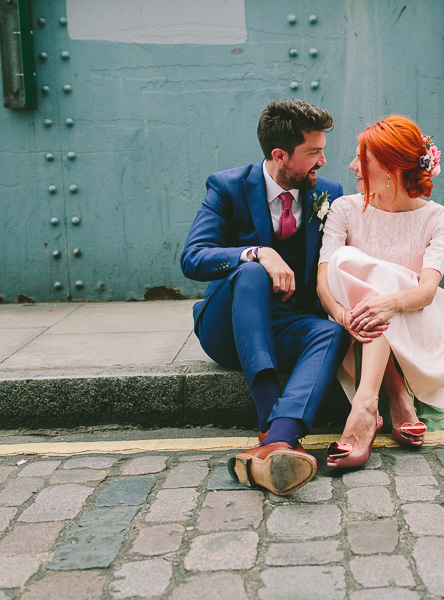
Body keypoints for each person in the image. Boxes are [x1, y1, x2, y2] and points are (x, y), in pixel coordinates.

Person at [180, 99, 347, 494]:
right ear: (279, 155)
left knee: (331, 333)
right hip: (228, 328)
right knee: (252, 271)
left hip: (287, 323)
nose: (322, 161)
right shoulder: (228, 186)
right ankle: (267, 415)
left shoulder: (329, 192)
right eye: (313, 152)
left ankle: (278, 438)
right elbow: (192, 257)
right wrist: (257, 252)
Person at [316, 115, 444, 469]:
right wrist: (341, 315)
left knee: (380, 282)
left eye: (362, 159)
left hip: (415, 321)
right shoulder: (345, 209)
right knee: (347, 260)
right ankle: (392, 395)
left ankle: (368, 405)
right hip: (356, 323)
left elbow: (427, 291)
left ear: (391, 168)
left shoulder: (439, 218)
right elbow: (323, 279)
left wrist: (390, 301)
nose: (351, 166)